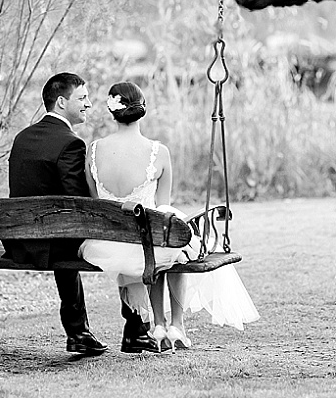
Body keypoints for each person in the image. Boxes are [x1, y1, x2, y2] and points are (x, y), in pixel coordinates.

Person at [78, 82, 258, 353]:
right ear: (143, 111)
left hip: (105, 245)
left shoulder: (93, 151)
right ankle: (176, 325)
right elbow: (163, 206)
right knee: (172, 237)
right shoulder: (158, 153)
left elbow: (95, 203)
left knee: (161, 240)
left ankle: (158, 324)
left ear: (111, 111)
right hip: (148, 240)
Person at [4, 72, 141, 356]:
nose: (89, 104)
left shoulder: (22, 137)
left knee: (63, 232)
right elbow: (79, 203)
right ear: (61, 101)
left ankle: (80, 331)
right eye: (82, 98)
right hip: (52, 242)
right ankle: (134, 327)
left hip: (18, 241)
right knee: (126, 243)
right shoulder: (70, 143)